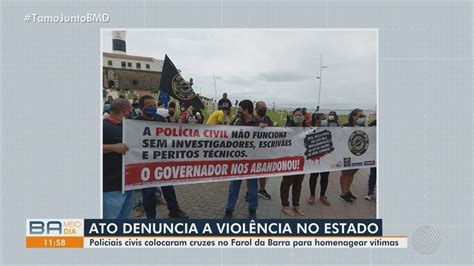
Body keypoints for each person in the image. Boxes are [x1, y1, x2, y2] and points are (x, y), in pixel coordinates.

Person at [135, 95, 189, 219]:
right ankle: (151, 217)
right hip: (145, 163)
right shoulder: (135, 122)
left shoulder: (160, 119)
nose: (153, 108)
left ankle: (174, 211)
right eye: (149, 106)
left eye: (154, 105)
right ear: (141, 108)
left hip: (162, 161)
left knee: (169, 188)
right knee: (148, 192)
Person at [224, 100, 266, 219]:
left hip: (252, 162)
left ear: (246, 110)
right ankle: (229, 210)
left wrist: (264, 129)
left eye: (240, 109)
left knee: (253, 188)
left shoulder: (259, 123)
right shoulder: (238, 122)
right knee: (233, 188)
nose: (238, 111)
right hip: (238, 161)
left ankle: (252, 210)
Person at [102, 98, 133, 219]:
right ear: (125, 111)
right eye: (130, 110)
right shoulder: (104, 127)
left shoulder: (125, 126)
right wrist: (113, 147)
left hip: (128, 184)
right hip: (111, 186)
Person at [280, 108, 307, 217]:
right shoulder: (287, 128)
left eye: (300, 115)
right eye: (296, 115)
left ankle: (296, 204)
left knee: (298, 183)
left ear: (304, 117)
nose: (298, 117)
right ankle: (285, 205)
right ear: (292, 116)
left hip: (301, 160)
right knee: (287, 182)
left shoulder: (307, 129)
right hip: (289, 160)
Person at [339, 108, 366, 203]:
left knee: (352, 173)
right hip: (347, 154)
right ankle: (343, 193)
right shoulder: (346, 126)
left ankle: (347, 190)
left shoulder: (363, 127)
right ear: (353, 116)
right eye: (360, 116)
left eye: (363, 116)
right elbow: (340, 138)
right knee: (345, 173)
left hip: (358, 155)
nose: (362, 118)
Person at [307, 113, 331, 206]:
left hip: (326, 157)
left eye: (325, 118)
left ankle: (322, 195)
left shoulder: (330, 130)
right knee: (314, 176)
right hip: (315, 157)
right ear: (317, 120)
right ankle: (312, 195)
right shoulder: (310, 130)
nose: (325, 120)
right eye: (323, 119)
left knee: (325, 177)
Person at [253, 101, 273, 200]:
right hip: (253, 151)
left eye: (265, 107)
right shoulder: (252, 120)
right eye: (262, 107)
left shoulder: (268, 119)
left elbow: (274, 131)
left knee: (263, 171)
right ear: (256, 109)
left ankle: (262, 189)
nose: (264, 109)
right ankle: (250, 191)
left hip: (265, 150)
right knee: (252, 172)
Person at [365, 119, 377, 201]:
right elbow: (368, 128)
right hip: (375, 154)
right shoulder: (377, 121)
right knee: (373, 174)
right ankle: (370, 192)